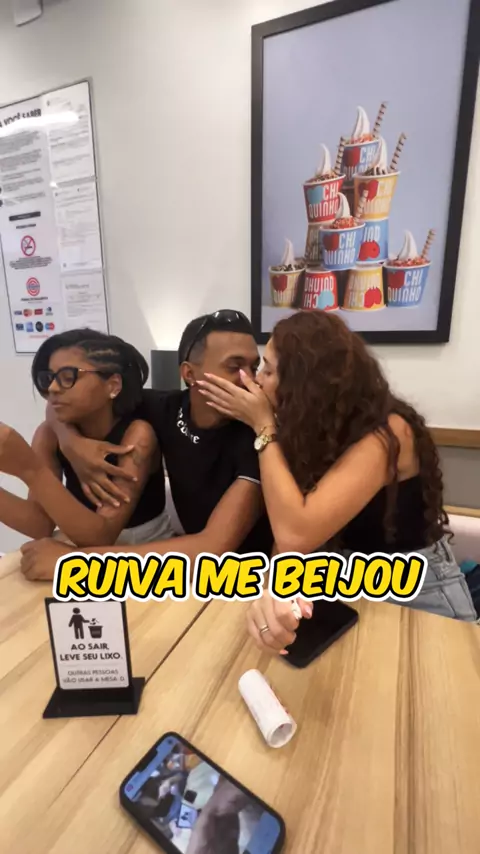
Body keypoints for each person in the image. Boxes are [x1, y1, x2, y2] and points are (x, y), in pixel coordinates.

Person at [198, 310, 477, 651]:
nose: (256, 381)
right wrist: (272, 593)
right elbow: (287, 530)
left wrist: (263, 427)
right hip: (350, 585)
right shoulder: (308, 428)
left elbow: (296, 535)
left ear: (304, 382)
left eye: (267, 370)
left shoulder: (389, 432)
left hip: (418, 593)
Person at [19, 310, 273, 580]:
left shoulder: (258, 435)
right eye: (234, 367)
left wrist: (74, 562)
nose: (251, 380)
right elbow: (59, 404)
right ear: (189, 374)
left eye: (254, 367)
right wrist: (71, 443)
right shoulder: (164, 408)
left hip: (251, 577)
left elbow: (212, 548)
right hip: (189, 572)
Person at [0, 329, 174, 574]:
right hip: (79, 548)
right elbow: (38, 524)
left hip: (145, 555)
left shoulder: (137, 436)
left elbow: (102, 536)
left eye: (68, 377)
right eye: (49, 377)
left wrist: (31, 470)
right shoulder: (49, 435)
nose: (53, 388)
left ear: (113, 385)